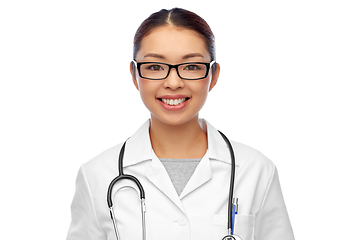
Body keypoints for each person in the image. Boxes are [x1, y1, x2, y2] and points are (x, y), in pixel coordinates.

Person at [66, 8, 294, 240]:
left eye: (191, 67)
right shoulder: (97, 175)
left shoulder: (256, 171)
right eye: (155, 67)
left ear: (213, 75)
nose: (173, 83)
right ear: (135, 75)